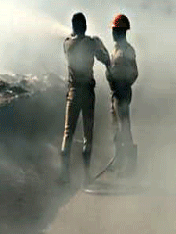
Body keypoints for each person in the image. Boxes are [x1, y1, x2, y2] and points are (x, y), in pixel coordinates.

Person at [59, 12, 110, 185]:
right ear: (85, 26)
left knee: (68, 133)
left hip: (73, 93)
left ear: (73, 27)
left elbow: (72, 40)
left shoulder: (67, 44)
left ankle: (64, 175)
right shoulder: (91, 43)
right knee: (88, 134)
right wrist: (99, 43)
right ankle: (86, 176)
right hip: (87, 93)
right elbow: (106, 59)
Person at [105, 13, 138, 175]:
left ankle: (129, 165)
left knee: (124, 128)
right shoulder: (116, 49)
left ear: (120, 32)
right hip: (115, 94)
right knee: (116, 129)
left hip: (122, 93)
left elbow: (134, 73)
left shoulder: (127, 51)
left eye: (114, 30)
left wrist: (123, 85)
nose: (112, 33)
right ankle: (119, 160)